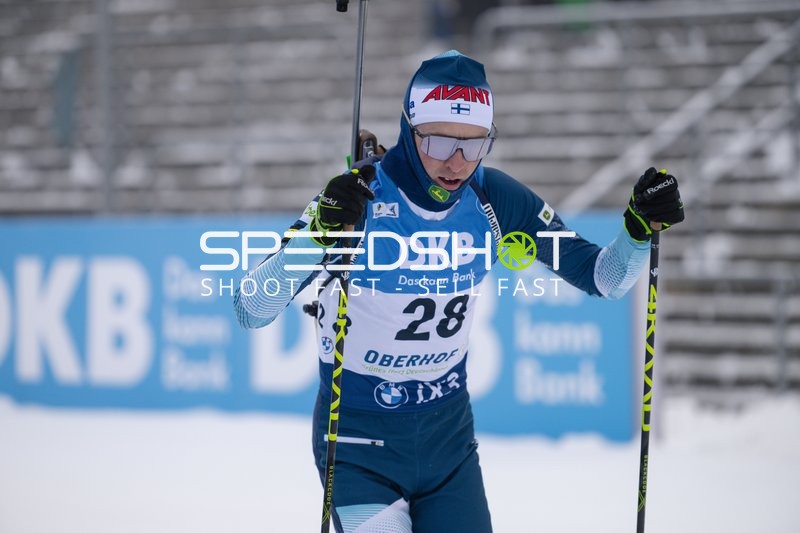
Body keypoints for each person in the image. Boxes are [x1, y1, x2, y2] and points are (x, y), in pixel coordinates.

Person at [234, 50, 684, 533]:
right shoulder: (358, 199)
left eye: (474, 146)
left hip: (448, 449)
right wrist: (316, 236)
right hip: (358, 446)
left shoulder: (496, 199)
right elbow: (251, 308)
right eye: (440, 143)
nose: (457, 163)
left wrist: (638, 229)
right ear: (410, 130)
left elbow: (605, 278)